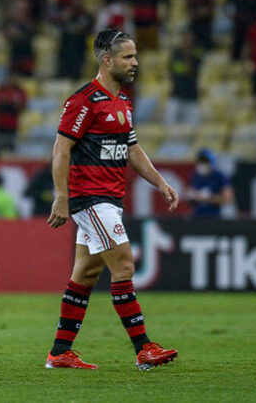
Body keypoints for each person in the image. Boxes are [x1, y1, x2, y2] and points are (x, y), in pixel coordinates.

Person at [45, 29, 179, 371]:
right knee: (124, 266)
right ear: (107, 61)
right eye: (128, 57)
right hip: (91, 198)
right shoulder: (84, 101)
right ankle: (143, 348)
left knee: (86, 274)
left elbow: (132, 149)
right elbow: (62, 149)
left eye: (135, 56)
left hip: (110, 197)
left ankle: (60, 352)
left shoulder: (123, 103)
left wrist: (160, 182)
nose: (135, 63)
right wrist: (62, 197)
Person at [186, 148, 233, 217]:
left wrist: (207, 198)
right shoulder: (195, 175)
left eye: (205, 161)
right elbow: (188, 196)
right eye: (200, 161)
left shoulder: (219, 176)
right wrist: (192, 197)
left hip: (215, 217)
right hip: (197, 216)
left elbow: (228, 198)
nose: (202, 164)